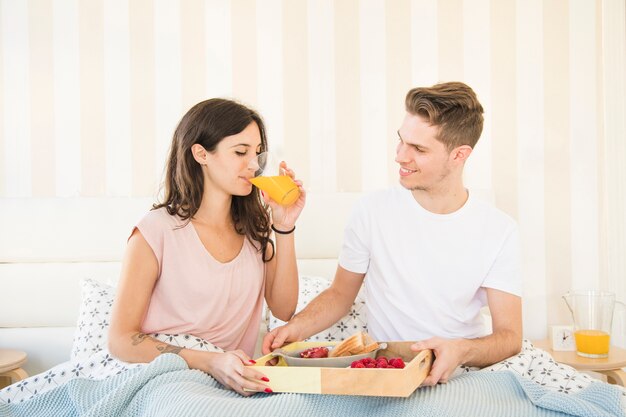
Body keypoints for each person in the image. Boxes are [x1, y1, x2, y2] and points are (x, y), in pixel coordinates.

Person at [262, 81, 522, 386]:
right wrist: (294, 328)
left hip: (465, 371)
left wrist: (462, 350)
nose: (400, 156)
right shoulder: (371, 212)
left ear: (459, 155)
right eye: (401, 141)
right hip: (390, 370)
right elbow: (339, 296)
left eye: (418, 149)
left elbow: (510, 337)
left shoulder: (498, 230)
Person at [108, 98, 306, 396]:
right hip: (166, 378)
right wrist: (211, 362)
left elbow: (284, 308)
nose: (253, 165)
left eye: (256, 153)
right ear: (201, 154)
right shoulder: (156, 230)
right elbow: (121, 340)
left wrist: (284, 225)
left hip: (231, 382)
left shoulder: (255, 230)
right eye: (240, 152)